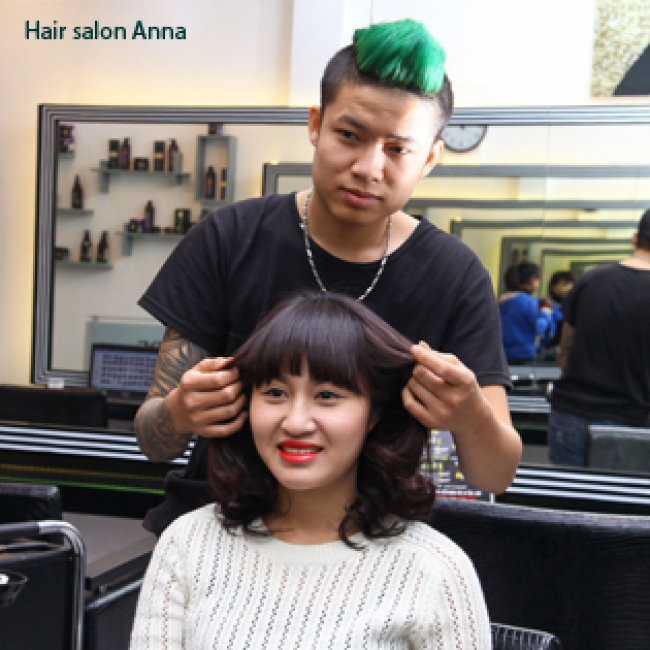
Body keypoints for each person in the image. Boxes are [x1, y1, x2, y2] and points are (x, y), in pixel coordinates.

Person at [135, 18, 522, 536]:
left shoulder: (454, 275)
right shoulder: (229, 239)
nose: (368, 168)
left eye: (398, 149)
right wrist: (180, 412)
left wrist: (470, 415)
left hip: (370, 547)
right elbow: (152, 440)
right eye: (349, 136)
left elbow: (496, 474)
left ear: (430, 157)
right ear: (316, 124)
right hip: (216, 532)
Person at [129, 293, 491, 649]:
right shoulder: (188, 544)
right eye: (275, 393)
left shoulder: (435, 570)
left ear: (375, 414)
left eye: (327, 396)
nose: (296, 423)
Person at [548, 210, 650, 466]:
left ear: (635, 238)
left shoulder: (590, 279)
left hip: (571, 413)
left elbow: (564, 354)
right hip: (632, 421)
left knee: (566, 490)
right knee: (620, 492)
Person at [498, 261, 554, 364]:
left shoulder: (502, 301)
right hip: (522, 356)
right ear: (532, 280)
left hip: (501, 355)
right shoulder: (529, 301)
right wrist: (545, 313)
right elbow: (539, 328)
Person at [539, 270, 575, 354]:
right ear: (553, 287)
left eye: (572, 284)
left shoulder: (573, 307)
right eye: (564, 284)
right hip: (548, 350)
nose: (569, 288)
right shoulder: (546, 306)